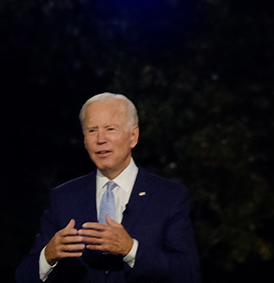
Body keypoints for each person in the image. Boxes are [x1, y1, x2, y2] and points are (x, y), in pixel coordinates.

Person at [16, 93, 199, 283]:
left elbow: (188, 274)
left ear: (133, 136)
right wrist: (48, 256)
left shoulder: (169, 197)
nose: (100, 139)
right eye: (92, 130)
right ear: (84, 140)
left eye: (110, 129)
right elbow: (23, 277)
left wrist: (131, 250)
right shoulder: (63, 197)